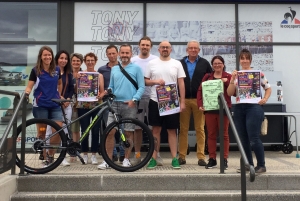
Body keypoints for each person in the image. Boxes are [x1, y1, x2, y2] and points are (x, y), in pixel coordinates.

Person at [98, 44, 145, 169]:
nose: (124, 55)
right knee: (109, 132)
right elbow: (112, 86)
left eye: (127, 53)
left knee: (129, 132)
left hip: (129, 105)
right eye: (122, 53)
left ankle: (126, 159)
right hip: (115, 104)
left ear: (131, 54)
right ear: (119, 54)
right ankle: (108, 160)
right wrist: (106, 92)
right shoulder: (115, 69)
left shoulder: (137, 68)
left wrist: (134, 99)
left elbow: (141, 87)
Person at [227, 49, 271, 174]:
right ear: (239, 60)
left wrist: (265, 99)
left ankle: (261, 165)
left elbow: (268, 88)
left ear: (250, 60)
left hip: (254, 107)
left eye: (247, 58)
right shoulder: (236, 75)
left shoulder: (259, 74)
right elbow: (230, 93)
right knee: (243, 139)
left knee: (254, 137)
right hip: (240, 107)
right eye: (242, 58)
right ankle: (248, 164)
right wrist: (232, 79)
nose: (244, 60)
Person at [145, 40, 186, 169]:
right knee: (155, 130)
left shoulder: (177, 63)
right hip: (155, 100)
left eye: (167, 47)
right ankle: (153, 158)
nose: (165, 49)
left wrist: (182, 102)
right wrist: (156, 81)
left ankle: (174, 158)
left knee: (172, 130)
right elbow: (145, 81)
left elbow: (181, 84)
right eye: (162, 47)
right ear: (158, 49)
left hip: (171, 101)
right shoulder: (151, 63)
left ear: (171, 49)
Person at [25, 46, 63, 167]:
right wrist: (26, 93)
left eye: (49, 55)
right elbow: (29, 86)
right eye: (45, 55)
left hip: (55, 104)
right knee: (41, 133)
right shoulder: (36, 70)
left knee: (58, 129)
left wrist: (60, 95)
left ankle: (51, 156)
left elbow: (60, 83)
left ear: (52, 56)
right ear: (41, 57)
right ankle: (43, 153)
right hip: (40, 105)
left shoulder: (57, 69)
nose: (47, 57)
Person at [178, 40, 212, 166]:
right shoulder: (180, 63)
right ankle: (181, 156)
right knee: (183, 129)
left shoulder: (205, 63)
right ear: (187, 50)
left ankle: (201, 157)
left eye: (195, 48)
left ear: (199, 50)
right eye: (191, 48)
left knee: (200, 129)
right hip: (184, 100)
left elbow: (210, 80)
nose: (193, 50)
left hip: (199, 101)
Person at [197, 55, 232, 169]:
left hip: (224, 110)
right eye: (215, 63)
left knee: (224, 135)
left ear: (223, 64)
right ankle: (212, 158)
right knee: (211, 135)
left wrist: (226, 82)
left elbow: (234, 92)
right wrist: (200, 104)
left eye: (219, 63)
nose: (217, 65)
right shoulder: (207, 77)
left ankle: (224, 159)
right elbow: (200, 90)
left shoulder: (229, 76)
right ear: (212, 65)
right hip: (210, 110)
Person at [131, 36, 160, 164]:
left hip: (153, 97)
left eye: (147, 45)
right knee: (137, 128)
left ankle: (156, 155)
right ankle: (137, 155)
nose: (145, 47)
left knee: (155, 128)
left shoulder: (156, 60)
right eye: (143, 45)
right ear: (139, 45)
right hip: (137, 97)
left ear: (151, 47)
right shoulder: (133, 61)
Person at [97, 45, 125, 164]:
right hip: (107, 103)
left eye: (114, 53)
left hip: (121, 101)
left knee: (122, 129)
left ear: (118, 54)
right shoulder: (101, 70)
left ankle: (122, 153)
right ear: (107, 55)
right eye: (109, 54)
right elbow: (97, 85)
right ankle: (112, 154)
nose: (112, 56)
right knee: (109, 130)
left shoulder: (123, 67)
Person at [76, 52, 105, 165]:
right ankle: (84, 153)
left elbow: (102, 91)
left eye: (92, 60)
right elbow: (76, 90)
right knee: (84, 130)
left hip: (96, 105)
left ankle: (93, 154)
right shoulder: (80, 74)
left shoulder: (99, 75)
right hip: (83, 105)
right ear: (85, 61)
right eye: (88, 60)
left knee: (95, 130)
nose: (90, 62)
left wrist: (100, 95)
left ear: (95, 61)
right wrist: (77, 79)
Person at [54, 50, 74, 166]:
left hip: (66, 105)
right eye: (61, 58)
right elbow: (52, 88)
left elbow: (71, 88)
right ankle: (48, 155)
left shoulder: (68, 73)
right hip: (55, 104)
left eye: (66, 58)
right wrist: (61, 98)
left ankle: (63, 156)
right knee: (52, 130)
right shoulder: (53, 72)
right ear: (57, 59)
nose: (63, 60)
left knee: (66, 130)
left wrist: (67, 99)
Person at [69, 53, 83, 162]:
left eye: (78, 61)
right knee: (71, 128)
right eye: (74, 61)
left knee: (77, 128)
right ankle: (71, 152)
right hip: (69, 103)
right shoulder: (67, 74)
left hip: (82, 103)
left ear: (81, 62)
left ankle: (76, 151)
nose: (76, 63)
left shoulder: (84, 73)